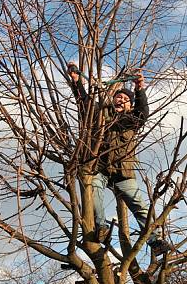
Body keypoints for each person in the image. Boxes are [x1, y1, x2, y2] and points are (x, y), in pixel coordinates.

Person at [67, 63, 170, 255]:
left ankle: (155, 241)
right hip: (100, 167)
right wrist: (76, 82)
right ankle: (101, 228)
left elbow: (143, 113)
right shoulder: (100, 115)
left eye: (125, 99)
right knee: (93, 190)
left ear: (130, 104)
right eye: (118, 97)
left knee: (139, 205)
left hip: (123, 172)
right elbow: (85, 105)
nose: (121, 100)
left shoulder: (132, 119)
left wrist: (139, 89)